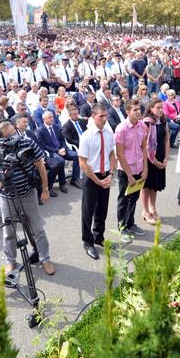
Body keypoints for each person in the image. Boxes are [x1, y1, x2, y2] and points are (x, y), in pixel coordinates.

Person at [0, 120, 54, 276]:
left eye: (12, 130)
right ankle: (10, 260)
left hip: (28, 194)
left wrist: (45, 189)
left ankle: (45, 259)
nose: (13, 135)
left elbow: (40, 165)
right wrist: (0, 185)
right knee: (9, 232)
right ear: (0, 137)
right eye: (7, 134)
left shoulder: (28, 142)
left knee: (38, 229)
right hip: (7, 197)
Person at [77, 104, 115, 259]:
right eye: (101, 116)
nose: (105, 119)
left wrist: (111, 173)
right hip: (92, 177)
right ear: (93, 117)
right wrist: (97, 181)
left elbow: (112, 154)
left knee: (102, 210)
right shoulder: (87, 136)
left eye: (106, 115)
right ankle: (88, 242)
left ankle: (99, 237)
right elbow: (83, 163)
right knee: (88, 211)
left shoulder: (108, 133)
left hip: (105, 175)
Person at [114, 99, 148, 241]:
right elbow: (120, 154)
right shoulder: (121, 129)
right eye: (134, 110)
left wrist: (145, 168)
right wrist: (129, 175)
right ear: (127, 112)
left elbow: (144, 147)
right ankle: (122, 228)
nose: (138, 112)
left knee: (134, 198)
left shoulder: (142, 126)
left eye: (139, 109)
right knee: (124, 199)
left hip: (139, 168)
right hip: (125, 171)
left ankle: (130, 223)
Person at [141, 98, 169, 225]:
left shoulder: (162, 120)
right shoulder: (146, 122)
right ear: (151, 108)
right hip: (149, 159)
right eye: (157, 107)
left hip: (161, 156)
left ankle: (153, 207)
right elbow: (145, 145)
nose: (160, 110)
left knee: (155, 185)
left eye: (161, 107)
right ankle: (145, 211)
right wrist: (155, 161)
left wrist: (165, 158)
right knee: (146, 186)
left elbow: (166, 139)